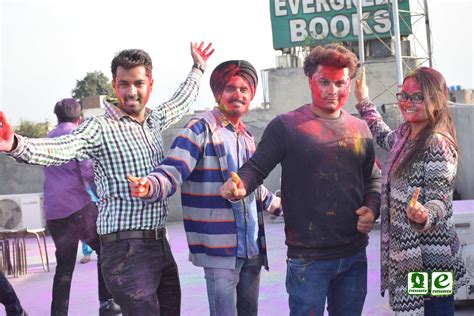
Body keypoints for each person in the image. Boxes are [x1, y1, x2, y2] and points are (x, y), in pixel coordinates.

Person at [0, 41, 214, 315]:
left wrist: (198, 67)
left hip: (160, 244)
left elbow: (181, 101)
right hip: (125, 249)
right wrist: (17, 144)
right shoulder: (100, 127)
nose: (131, 91)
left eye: (138, 83)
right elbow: (64, 147)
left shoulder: (153, 120)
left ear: (150, 84)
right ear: (114, 85)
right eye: (124, 84)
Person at [220, 44, 381, 316]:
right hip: (308, 260)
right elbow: (256, 168)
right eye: (325, 82)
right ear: (310, 80)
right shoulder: (286, 126)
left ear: (349, 83)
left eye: (340, 83)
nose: (333, 90)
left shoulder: (360, 128)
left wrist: (372, 208)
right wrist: (240, 186)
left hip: (354, 255)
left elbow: (373, 180)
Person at [128, 60, 282, 316]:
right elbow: (173, 169)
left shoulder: (245, 136)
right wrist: (150, 185)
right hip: (220, 249)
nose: (238, 95)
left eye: (245, 89)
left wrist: (284, 208)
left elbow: (254, 187)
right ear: (218, 93)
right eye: (231, 88)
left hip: (251, 247)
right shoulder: (199, 129)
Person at [354, 66, 468, 315]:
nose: (407, 102)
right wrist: (363, 100)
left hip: (433, 258)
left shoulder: (437, 142)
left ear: (435, 100)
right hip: (409, 256)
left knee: (434, 310)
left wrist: (424, 214)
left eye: (417, 97)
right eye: (403, 95)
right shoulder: (406, 134)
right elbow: (384, 136)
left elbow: (441, 198)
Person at [43, 98, 120, 315]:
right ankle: (106, 302)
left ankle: (58, 313)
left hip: (54, 212)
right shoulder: (77, 136)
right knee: (105, 250)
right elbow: (87, 171)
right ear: (79, 118)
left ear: (57, 117)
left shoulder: (48, 138)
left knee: (64, 267)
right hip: (77, 208)